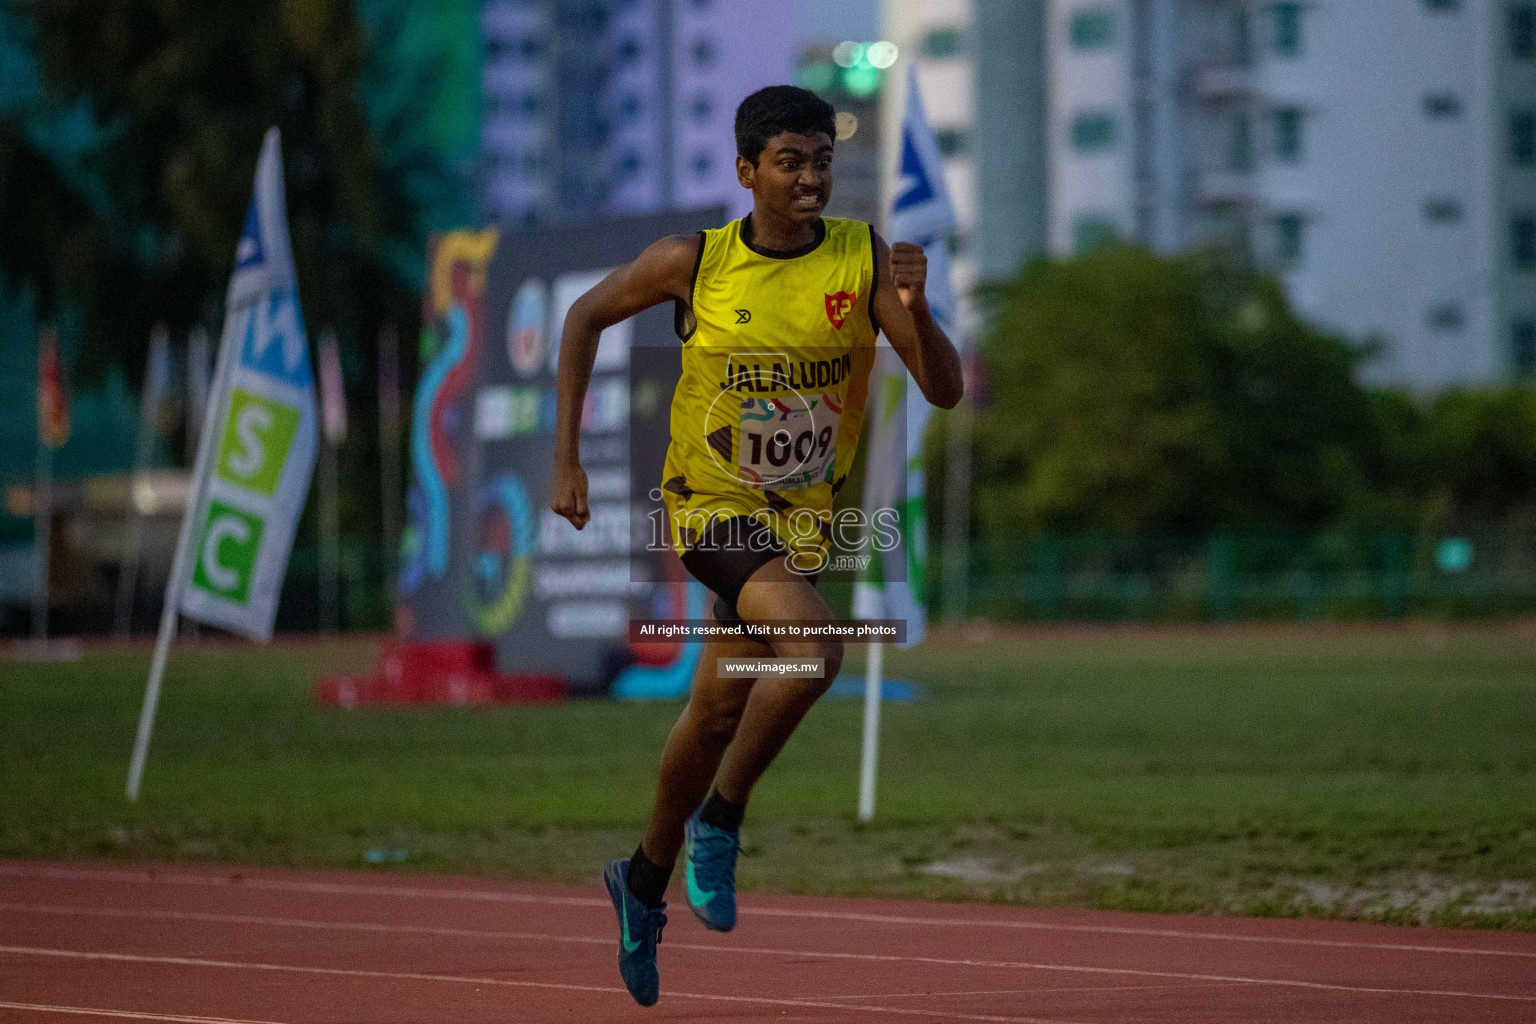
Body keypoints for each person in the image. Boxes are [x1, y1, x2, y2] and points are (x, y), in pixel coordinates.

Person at [549, 84, 962, 1006]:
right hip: (707, 505)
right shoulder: (692, 264)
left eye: (823, 160)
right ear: (747, 172)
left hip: (801, 522)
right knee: (815, 652)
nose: (812, 178)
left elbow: (943, 391)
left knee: (717, 710)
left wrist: (917, 307)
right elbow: (581, 319)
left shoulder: (859, 259)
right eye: (791, 162)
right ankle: (721, 822)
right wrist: (566, 461)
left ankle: (641, 882)